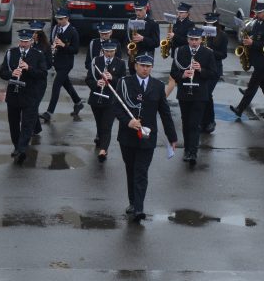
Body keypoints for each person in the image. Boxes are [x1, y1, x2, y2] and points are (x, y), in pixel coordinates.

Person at [115, 53, 179, 222]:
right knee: (131, 170)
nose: (145, 69)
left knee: (141, 172)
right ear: (136, 66)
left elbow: (165, 113)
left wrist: (172, 137)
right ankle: (132, 202)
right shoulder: (124, 83)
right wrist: (128, 121)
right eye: (142, 66)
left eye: (148, 66)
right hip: (127, 136)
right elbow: (116, 107)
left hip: (147, 137)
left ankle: (139, 208)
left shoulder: (157, 86)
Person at [0, 28, 49, 164]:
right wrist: (12, 74)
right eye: (22, 41)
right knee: (13, 124)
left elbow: (43, 74)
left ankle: (22, 149)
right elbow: (2, 72)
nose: (23, 44)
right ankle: (17, 146)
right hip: (13, 94)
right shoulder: (11, 53)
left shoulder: (38, 55)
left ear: (31, 41)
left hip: (30, 94)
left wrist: (29, 68)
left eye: (26, 42)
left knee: (27, 124)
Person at [170, 26, 219, 164]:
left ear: (201, 40)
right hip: (184, 93)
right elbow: (173, 72)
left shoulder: (207, 53)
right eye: (191, 39)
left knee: (194, 123)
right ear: (187, 39)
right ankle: (187, 149)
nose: (194, 42)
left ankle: (193, 152)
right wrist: (183, 75)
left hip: (200, 94)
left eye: (196, 39)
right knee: (186, 123)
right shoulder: (180, 51)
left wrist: (201, 70)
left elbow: (214, 73)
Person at [230, 2, 264, 120]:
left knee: (252, 87)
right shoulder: (257, 23)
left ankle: (240, 109)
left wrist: (253, 43)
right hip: (256, 59)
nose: (256, 15)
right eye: (256, 13)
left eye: (258, 13)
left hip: (263, 61)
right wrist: (248, 38)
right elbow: (254, 36)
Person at [40, 9, 84, 124]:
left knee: (56, 86)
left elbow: (75, 50)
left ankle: (49, 112)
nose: (59, 21)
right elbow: (51, 42)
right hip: (57, 62)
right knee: (66, 84)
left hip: (66, 64)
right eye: (57, 19)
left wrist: (64, 45)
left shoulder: (73, 31)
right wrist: (52, 47)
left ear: (67, 18)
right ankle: (78, 102)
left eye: (61, 19)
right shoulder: (55, 28)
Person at [86, 39, 127, 162]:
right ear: (103, 50)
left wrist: (112, 78)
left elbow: (123, 82)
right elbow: (88, 79)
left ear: (115, 51)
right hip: (96, 98)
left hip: (112, 100)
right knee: (100, 124)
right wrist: (96, 83)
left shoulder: (120, 63)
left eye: (112, 51)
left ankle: (103, 150)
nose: (109, 54)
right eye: (107, 51)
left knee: (107, 126)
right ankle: (100, 138)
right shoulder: (96, 61)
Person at [200, 13, 228, 134]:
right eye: (207, 22)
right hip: (202, 68)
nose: (209, 25)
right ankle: (203, 121)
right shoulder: (202, 33)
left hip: (215, 69)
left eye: (211, 23)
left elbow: (223, 54)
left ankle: (210, 121)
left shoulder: (222, 35)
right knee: (203, 94)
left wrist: (211, 52)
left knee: (207, 93)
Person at [29, 20, 53, 140]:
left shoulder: (45, 46)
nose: (33, 34)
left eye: (35, 32)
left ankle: (32, 129)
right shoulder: (29, 44)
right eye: (32, 32)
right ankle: (36, 128)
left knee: (34, 105)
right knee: (31, 105)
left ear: (40, 33)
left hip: (40, 80)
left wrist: (39, 66)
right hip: (29, 80)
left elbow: (49, 64)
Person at [128, 0, 159, 74]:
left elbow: (156, 43)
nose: (137, 13)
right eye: (136, 10)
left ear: (145, 8)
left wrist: (143, 39)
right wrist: (128, 49)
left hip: (145, 59)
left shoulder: (153, 23)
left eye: (140, 10)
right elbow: (127, 38)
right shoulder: (131, 20)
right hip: (132, 60)